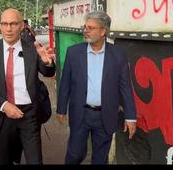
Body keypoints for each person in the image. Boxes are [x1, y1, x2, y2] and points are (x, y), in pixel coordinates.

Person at [56, 11, 136, 165]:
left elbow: (126, 87)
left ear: (103, 31)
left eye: (90, 28)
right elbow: (65, 82)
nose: (85, 30)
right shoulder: (74, 52)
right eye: (85, 27)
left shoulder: (118, 54)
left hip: (105, 115)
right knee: (75, 154)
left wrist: (130, 116)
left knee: (100, 158)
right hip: (81, 112)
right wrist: (61, 108)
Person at [0, 8, 56, 164]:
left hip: (29, 115)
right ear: (0, 25)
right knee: (5, 160)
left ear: (22, 26)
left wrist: (48, 63)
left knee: (35, 160)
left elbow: (48, 73)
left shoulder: (32, 48)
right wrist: (4, 105)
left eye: (13, 24)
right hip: (3, 115)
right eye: (5, 24)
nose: (9, 28)